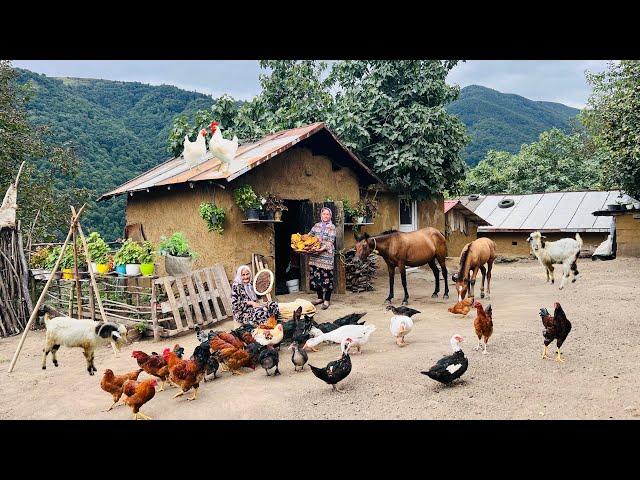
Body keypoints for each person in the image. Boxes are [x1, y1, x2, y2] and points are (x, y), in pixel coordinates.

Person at [308, 207, 336, 309]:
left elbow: (330, 241)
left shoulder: (332, 227)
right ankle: (320, 298)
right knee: (316, 277)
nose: (325, 216)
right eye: (324, 214)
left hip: (326, 257)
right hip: (315, 257)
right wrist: (301, 242)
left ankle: (327, 300)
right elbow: (309, 236)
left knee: (326, 278)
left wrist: (321, 249)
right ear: (321, 215)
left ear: (330, 216)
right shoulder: (316, 226)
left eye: (328, 214)